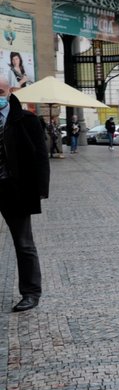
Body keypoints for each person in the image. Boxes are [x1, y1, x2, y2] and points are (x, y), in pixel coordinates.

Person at [0, 86, 50, 312]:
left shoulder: (27, 119)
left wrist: (40, 188)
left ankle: (30, 293)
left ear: (9, 91)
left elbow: (41, 156)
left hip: (14, 189)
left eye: (0, 91)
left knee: (24, 243)